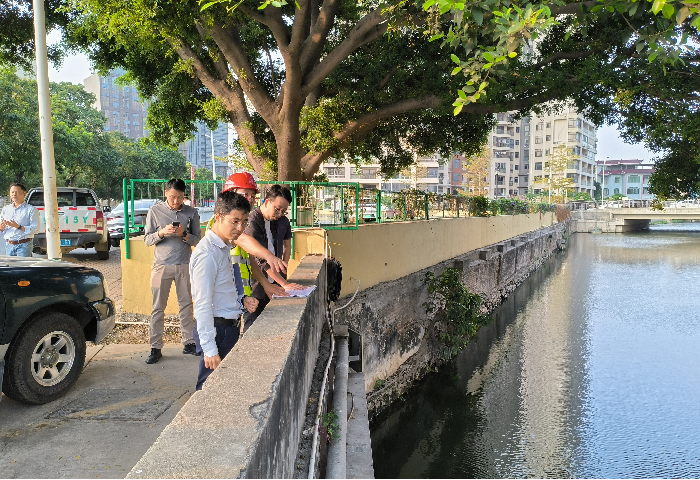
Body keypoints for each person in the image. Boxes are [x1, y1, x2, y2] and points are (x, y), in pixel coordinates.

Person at [190, 191, 257, 390]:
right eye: (235, 221)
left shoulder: (223, 247)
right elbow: (201, 304)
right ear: (218, 217)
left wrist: (241, 299)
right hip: (217, 330)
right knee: (209, 389)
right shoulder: (207, 254)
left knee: (221, 387)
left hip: (228, 327)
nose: (240, 228)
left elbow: (223, 287)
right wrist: (210, 348)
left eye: (244, 222)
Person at [206, 173, 289, 304]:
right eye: (245, 194)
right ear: (230, 194)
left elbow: (251, 261)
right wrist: (269, 256)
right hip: (220, 303)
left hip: (239, 297)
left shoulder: (243, 223)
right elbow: (244, 240)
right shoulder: (221, 222)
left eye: (252, 196)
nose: (249, 199)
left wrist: (267, 285)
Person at [143, 179, 201, 365]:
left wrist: (184, 234)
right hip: (161, 265)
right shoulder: (155, 211)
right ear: (166, 194)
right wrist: (161, 233)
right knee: (158, 308)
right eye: (172, 197)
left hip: (184, 264)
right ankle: (155, 346)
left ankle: (189, 342)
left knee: (186, 305)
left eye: (180, 198)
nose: (176, 201)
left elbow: (197, 241)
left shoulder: (192, 212)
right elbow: (147, 240)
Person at [243, 184, 304, 330]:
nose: (279, 214)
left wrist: (282, 277)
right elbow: (262, 261)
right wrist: (283, 283)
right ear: (266, 202)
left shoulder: (277, 220)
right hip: (256, 286)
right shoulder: (252, 223)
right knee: (253, 326)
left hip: (274, 282)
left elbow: (285, 248)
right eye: (277, 209)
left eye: (283, 211)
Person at [0, 183, 39, 257]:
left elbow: (35, 229)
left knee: (23, 267)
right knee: (10, 268)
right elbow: (2, 229)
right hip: (9, 245)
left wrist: (19, 226)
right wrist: (1, 227)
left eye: (16, 192)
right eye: (12, 192)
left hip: (24, 245)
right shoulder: (5, 209)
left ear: (24, 194)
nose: (14, 194)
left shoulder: (31, 209)